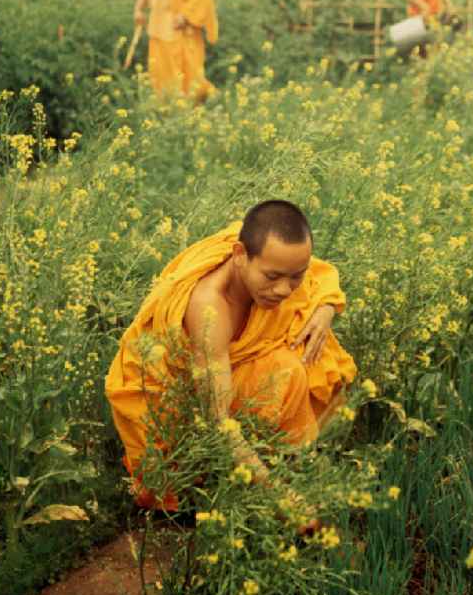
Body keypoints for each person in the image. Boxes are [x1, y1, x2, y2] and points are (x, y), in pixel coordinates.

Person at [105, 200, 356, 510]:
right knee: (175, 490)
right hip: (179, 405)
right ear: (240, 256)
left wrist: (326, 308)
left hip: (226, 378)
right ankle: (239, 478)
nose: (284, 290)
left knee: (299, 357)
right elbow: (217, 421)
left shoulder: (268, 254)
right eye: (272, 277)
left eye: (295, 278)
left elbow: (317, 273)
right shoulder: (209, 309)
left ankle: (277, 460)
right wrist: (281, 498)